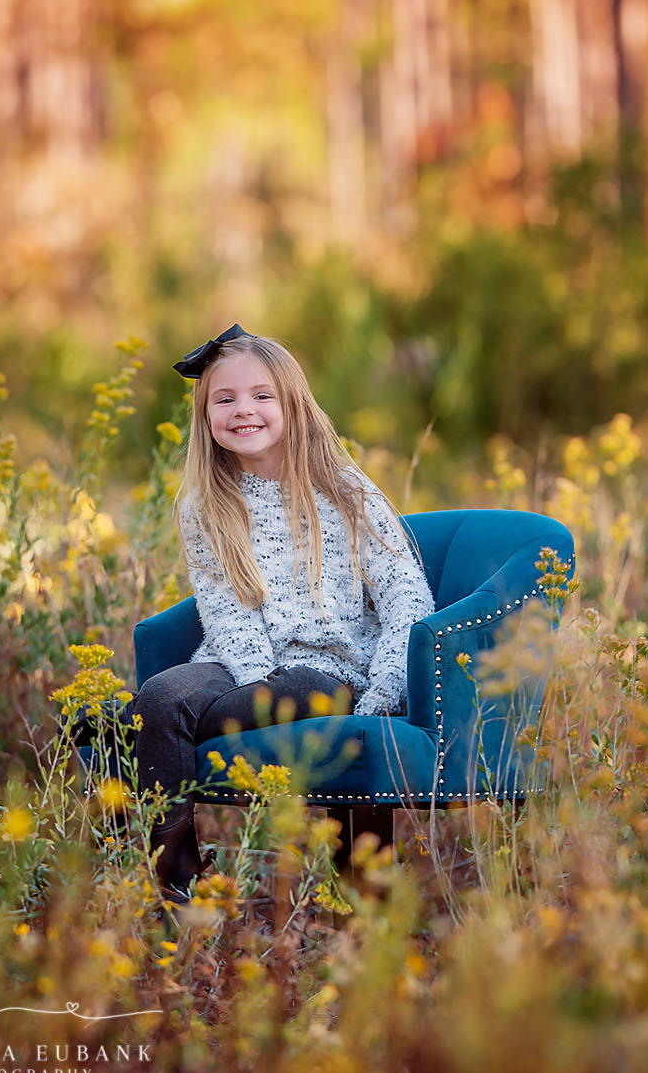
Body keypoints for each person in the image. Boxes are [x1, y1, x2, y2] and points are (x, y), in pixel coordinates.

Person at [83, 322, 436, 905]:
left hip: (332, 669)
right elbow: (224, 607)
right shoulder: (206, 503)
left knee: (270, 689)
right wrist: (255, 686)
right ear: (206, 417)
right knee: (166, 696)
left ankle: (126, 734)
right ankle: (179, 893)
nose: (242, 410)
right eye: (224, 399)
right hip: (238, 662)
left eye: (261, 396)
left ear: (292, 404)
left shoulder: (344, 488)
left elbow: (407, 595)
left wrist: (387, 683)